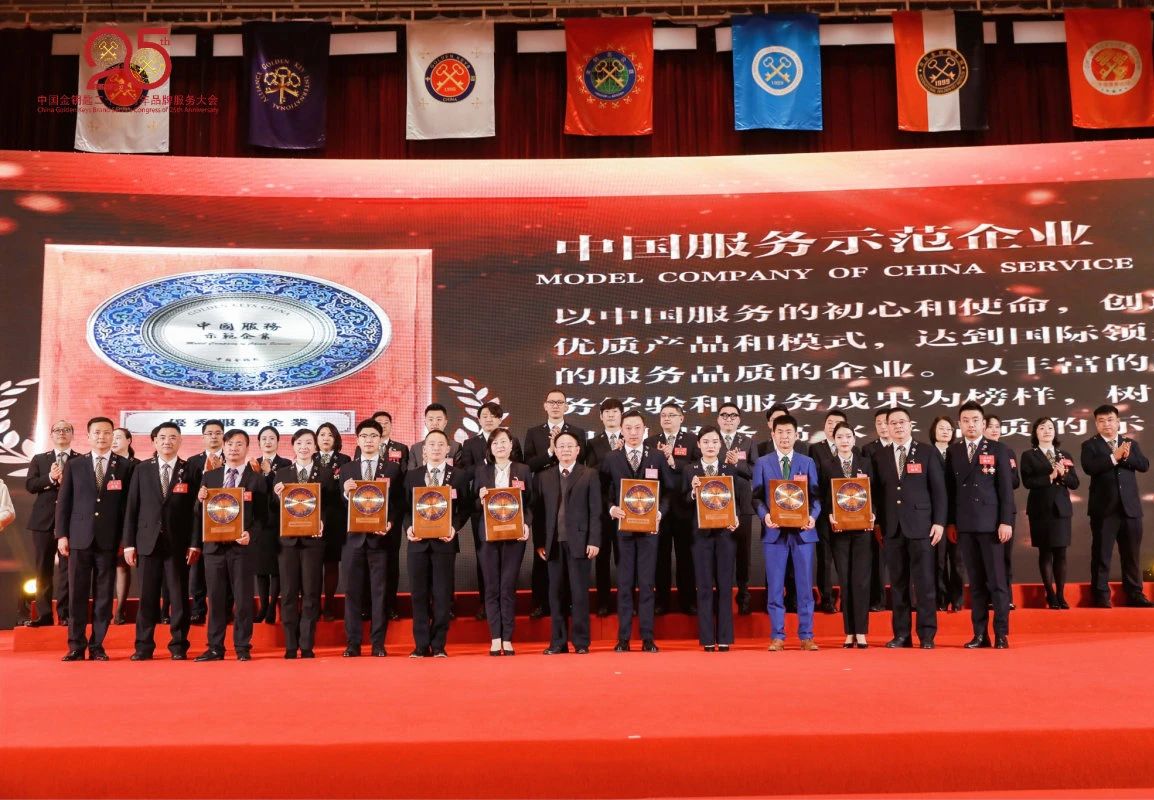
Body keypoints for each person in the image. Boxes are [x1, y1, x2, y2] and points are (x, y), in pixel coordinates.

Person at [56, 416, 136, 661]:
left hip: (109, 541)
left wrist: (125, 540)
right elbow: (64, 503)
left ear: (113, 436)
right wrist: (61, 535)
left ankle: (97, 645)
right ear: (89, 436)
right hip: (79, 538)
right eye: (97, 433)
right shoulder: (75, 465)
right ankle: (76, 645)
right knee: (77, 594)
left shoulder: (126, 466)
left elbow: (128, 509)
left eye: (106, 432)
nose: (102, 437)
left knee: (103, 596)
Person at [122, 422, 197, 660]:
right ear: (154, 441)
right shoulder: (142, 469)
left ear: (180, 441)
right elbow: (132, 508)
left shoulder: (190, 470)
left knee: (179, 597)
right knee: (147, 598)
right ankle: (143, 646)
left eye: (173, 437)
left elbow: (196, 512)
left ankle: (179, 646)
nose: (167, 441)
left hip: (178, 544)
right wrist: (129, 544)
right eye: (162, 437)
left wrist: (194, 543)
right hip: (147, 542)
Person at [873, 409, 946, 649]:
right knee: (898, 585)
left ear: (910, 424)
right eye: (892, 423)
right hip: (892, 529)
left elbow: (939, 490)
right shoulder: (880, 456)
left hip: (922, 527)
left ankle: (927, 635)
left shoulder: (927, 452)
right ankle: (902, 634)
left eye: (901, 422)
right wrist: (878, 522)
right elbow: (878, 493)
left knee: (924, 584)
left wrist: (939, 522)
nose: (897, 426)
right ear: (887, 427)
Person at [600, 409, 672, 653]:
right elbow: (602, 491)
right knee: (624, 584)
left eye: (637, 428)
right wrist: (611, 508)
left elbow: (668, 491)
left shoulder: (657, 457)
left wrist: (660, 512)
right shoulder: (611, 458)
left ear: (645, 430)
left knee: (647, 584)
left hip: (650, 532)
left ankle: (648, 638)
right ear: (621, 430)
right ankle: (623, 638)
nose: (633, 432)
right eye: (628, 428)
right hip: (623, 533)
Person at [193, 429, 266, 662]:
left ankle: (242, 646)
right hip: (214, 548)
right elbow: (199, 514)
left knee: (243, 600)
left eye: (239, 444)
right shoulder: (210, 477)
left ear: (247, 448)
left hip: (241, 549)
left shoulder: (256, 479)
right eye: (230, 444)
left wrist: (250, 534)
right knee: (215, 599)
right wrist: (199, 500)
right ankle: (215, 647)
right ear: (223, 447)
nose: (234, 448)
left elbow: (263, 518)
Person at [947, 401, 1015, 649]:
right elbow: (950, 490)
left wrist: (1006, 521)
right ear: (959, 424)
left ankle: (1001, 634)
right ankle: (979, 634)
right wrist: (951, 522)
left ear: (983, 423)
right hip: (965, 525)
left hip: (992, 525)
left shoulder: (998, 449)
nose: (971, 425)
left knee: (997, 583)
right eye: (965, 420)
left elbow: (1006, 490)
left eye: (975, 420)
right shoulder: (954, 451)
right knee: (975, 584)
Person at [753, 414, 821, 651]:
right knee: (775, 587)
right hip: (775, 534)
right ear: (773, 434)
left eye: (788, 432)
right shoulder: (763, 463)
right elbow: (756, 497)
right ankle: (777, 636)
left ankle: (807, 635)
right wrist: (765, 516)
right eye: (780, 432)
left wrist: (813, 517)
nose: (784, 437)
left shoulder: (807, 462)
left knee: (805, 586)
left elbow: (816, 497)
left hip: (803, 534)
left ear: (796, 435)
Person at [339, 419, 405, 657]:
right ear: (357, 440)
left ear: (380, 441)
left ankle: (378, 643)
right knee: (352, 593)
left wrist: (390, 523)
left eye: (373, 436)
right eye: (364, 436)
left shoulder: (393, 469)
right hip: (353, 540)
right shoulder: (347, 469)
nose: (369, 440)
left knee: (380, 593)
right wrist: (345, 493)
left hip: (380, 540)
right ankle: (353, 643)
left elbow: (398, 503)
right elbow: (339, 506)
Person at [403, 430, 470, 657]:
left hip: (444, 543)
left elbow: (465, 508)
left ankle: (439, 644)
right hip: (418, 543)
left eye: (441, 444)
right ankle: (421, 645)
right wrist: (408, 527)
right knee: (418, 595)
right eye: (431, 444)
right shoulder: (412, 476)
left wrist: (454, 527)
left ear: (448, 449)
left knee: (442, 595)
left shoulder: (459, 476)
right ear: (424, 450)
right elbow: (404, 509)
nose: (436, 448)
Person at [456, 401, 524, 621]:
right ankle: (486, 603)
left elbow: (520, 469)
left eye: (493, 416)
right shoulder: (470, 443)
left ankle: (506, 604)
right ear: (479, 419)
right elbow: (464, 473)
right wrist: (486, 465)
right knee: (484, 558)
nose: (489, 419)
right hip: (482, 509)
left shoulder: (512, 441)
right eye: (484, 415)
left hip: (511, 510)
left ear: (500, 419)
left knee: (509, 559)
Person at [523, 388, 588, 620]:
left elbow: (583, 463)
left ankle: (568, 602)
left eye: (560, 402)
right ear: (545, 405)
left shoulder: (577, 432)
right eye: (552, 402)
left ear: (566, 406)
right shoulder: (534, 433)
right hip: (543, 494)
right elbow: (528, 465)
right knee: (543, 551)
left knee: (569, 552)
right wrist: (551, 452)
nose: (556, 406)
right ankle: (541, 603)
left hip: (572, 494)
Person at [1080, 404, 1151, 608]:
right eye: (1101, 421)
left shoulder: (1130, 443)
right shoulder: (1090, 445)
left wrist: (1125, 456)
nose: (1106, 424)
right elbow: (1089, 467)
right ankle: (1101, 595)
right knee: (1102, 554)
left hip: (1130, 508)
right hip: (1104, 509)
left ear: (1118, 422)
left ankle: (1135, 593)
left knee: (1132, 554)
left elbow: (1144, 465)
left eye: (1110, 420)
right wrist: (1114, 457)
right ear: (1096, 424)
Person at [536, 431, 601, 655]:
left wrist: (594, 540)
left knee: (579, 594)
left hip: (580, 543)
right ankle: (558, 642)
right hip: (553, 544)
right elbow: (539, 513)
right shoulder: (544, 476)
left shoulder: (589, 474)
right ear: (555, 450)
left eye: (569, 446)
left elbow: (596, 511)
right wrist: (540, 543)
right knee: (556, 595)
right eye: (561, 446)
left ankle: (581, 643)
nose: (565, 449)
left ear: (577, 450)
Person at [684, 425, 746, 652]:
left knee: (725, 586)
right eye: (706, 442)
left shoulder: (729, 469)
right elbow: (682, 502)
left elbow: (737, 500)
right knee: (703, 586)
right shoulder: (690, 470)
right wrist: (693, 492)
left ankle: (725, 637)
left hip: (725, 535)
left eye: (714, 442)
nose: (710, 446)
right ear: (699, 445)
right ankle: (707, 638)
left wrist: (736, 518)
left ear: (721, 445)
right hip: (700, 536)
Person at [473, 428, 533, 655]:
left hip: (514, 535)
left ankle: (507, 638)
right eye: (495, 442)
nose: (500, 446)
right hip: (488, 535)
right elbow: (473, 504)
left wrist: (526, 524)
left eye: (504, 442)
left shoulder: (522, 470)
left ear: (511, 445)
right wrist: (479, 499)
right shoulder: (482, 471)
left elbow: (530, 502)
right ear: (490, 448)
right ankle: (495, 638)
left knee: (507, 586)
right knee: (491, 587)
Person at [271, 429, 329, 659]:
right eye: (299, 443)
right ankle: (290, 644)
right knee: (288, 593)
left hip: (313, 541)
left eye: (308, 443)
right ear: (293, 446)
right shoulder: (282, 473)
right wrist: (276, 495)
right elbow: (272, 509)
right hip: (287, 543)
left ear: (315, 447)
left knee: (311, 593)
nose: (304, 447)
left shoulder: (324, 473)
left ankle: (306, 644)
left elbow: (332, 506)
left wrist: (323, 521)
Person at [823, 422, 876, 648]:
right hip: (839, 532)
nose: (844, 440)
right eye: (840, 437)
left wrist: (873, 513)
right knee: (845, 581)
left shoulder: (866, 463)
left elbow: (876, 492)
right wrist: (829, 515)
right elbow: (822, 496)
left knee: (861, 581)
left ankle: (861, 631)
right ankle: (849, 632)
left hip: (863, 530)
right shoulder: (827, 465)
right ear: (834, 441)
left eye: (848, 436)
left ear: (854, 439)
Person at [1020, 417, 1080, 610]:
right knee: (1045, 552)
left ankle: (1061, 594)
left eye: (1050, 428)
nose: (1047, 431)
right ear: (1035, 432)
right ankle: (1050, 594)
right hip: (1040, 510)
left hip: (1061, 509)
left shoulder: (1064, 455)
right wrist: (1050, 476)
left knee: (1061, 553)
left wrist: (1064, 475)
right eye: (1042, 428)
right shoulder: (1029, 455)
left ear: (1055, 432)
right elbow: (1028, 482)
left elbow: (1075, 483)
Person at [24, 419, 79, 627]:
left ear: (72, 434)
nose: (61, 433)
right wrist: (49, 478)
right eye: (57, 430)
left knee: (68, 570)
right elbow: (30, 485)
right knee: (42, 569)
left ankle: (65, 614)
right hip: (43, 523)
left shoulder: (80, 460)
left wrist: (67, 481)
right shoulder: (40, 459)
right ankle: (44, 614)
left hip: (71, 523)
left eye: (66, 429)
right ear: (51, 434)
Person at [647, 402, 699, 616]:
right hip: (659, 509)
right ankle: (661, 601)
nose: (666, 418)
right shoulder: (651, 442)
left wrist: (671, 460)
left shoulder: (692, 440)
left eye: (671, 415)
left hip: (685, 507)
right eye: (663, 415)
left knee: (686, 557)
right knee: (660, 557)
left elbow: (697, 466)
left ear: (681, 418)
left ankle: (688, 601)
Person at [809, 409, 854, 615]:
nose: (833, 426)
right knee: (825, 559)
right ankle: (826, 598)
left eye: (838, 423)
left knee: (847, 560)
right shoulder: (816, 449)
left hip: (850, 514)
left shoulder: (855, 451)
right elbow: (814, 481)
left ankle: (848, 599)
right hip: (825, 513)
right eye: (830, 422)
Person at [585, 398, 624, 617]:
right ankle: (603, 602)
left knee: (625, 558)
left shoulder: (631, 438)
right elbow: (590, 472)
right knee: (602, 558)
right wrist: (612, 457)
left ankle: (627, 601)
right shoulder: (593, 443)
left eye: (615, 411)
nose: (610, 415)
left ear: (621, 415)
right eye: (606, 412)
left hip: (627, 508)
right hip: (601, 507)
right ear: (600, 417)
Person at [369, 411, 409, 622]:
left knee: (391, 560)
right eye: (379, 423)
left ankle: (391, 605)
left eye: (386, 423)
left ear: (391, 425)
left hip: (393, 512)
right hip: (369, 512)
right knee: (368, 561)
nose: (382, 426)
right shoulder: (364, 448)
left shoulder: (401, 448)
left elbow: (403, 481)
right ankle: (368, 606)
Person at [185, 419, 226, 624]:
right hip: (198, 522)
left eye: (218, 433)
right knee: (198, 568)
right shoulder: (192, 462)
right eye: (209, 433)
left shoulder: (232, 458)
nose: (214, 436)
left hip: (225, 521)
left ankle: (225, 610)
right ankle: (198, 609)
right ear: (203, 437)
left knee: (224, 568)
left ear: (223, 436)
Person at [717, 402, 756, 615]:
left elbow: (754, 471)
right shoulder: (712, 439)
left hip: (743, 504)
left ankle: (744, 595)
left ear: (739, 420)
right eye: (724, 415)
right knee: (720, 552)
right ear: (718, 419)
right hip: (717, 504)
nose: (728, 419)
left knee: (743, 553)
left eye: (733, 415)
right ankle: (721, 596)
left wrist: (737, 464)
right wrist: (725, 463)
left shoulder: (747, 441)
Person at [984, 414, 1022, 609]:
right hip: (984, 511)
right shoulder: (978, 452)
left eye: (997, 426)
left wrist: (1000, 474)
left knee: (1005, 556)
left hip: (1006, 511)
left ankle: (1006, 598)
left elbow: (1015, 481)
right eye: (990, 426)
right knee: (987, 556)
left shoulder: (1007, 451)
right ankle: (989, 597)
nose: (994, 430)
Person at [315, 421, 351, 622]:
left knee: (331, 563)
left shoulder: (344, 460)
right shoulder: (309, 458)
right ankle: (312, 605)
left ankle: (328, 604)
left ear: (336, 439)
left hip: (336, 518)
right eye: (322, 434)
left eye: (330, 435)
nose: (325, 438)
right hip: (312, 517)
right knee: (311, 564)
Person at [254, 425, 289, 625]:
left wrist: (270, 474)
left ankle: (272, 607)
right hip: (259, 522)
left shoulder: (286, 464)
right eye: (264, 439)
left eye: (272, 438)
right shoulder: (253, 464)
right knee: (260, 567)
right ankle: (263, 606)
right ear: (259, 442)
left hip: (279, 521)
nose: (268, 442)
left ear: (278, 441)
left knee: (275, 568)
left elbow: (282, 492)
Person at [929, 415, 964, 613]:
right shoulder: (926, 453)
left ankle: (957, 599)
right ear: (933, 430)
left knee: (958, 561)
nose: (945, 431)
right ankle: (941, 598)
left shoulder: (958, 453)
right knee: (938, 561)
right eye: (941, 428)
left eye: (949, 429)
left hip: (957, 515)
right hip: (934, 517)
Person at [861, 407, 893, 612]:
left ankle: (907, 600)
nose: (882, 426)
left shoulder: (905, 448)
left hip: (900, 509)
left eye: (885, 422)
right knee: (877, 558)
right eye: (878, 423)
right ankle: (878, 600)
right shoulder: (868, 449)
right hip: (877, 508)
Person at [110, 427, 138, 625]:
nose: (113, 440)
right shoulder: (106, 464)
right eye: (111, 437)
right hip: (106, 522)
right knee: (104, 566)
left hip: (130, 522)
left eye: (118, 437)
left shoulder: (138, 465)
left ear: (129, 440)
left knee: (122, 564)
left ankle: (120, 610)